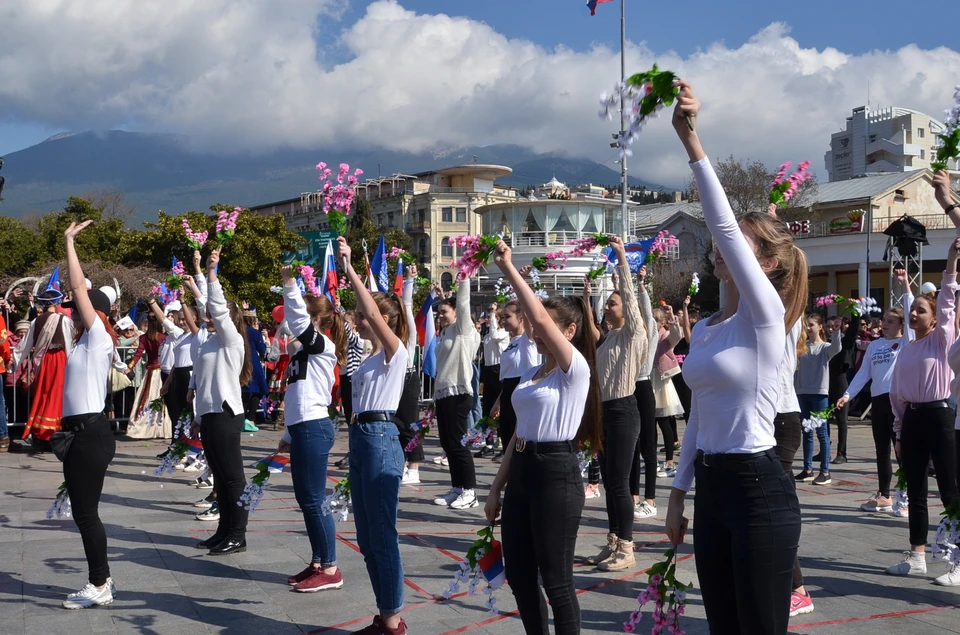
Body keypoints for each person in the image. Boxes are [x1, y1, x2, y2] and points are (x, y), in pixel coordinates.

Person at [665, 82, 807, 634]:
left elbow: (722, 222)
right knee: (723, 625)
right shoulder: (706, 329)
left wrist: (689, 138)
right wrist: (678, 493)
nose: (723, 250)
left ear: (767, 265)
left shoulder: (766, 318)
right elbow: (700, 413)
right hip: (712, 488)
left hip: (759, 487)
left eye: (740, 246)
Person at [484, 238, 601, 635]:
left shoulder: (575, 368)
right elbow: (520, 432)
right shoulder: (535, 372)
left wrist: (508, 269)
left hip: (556, 473)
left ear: (568, 330)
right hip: (522, 471)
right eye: (536, 324)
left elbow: (539, 317)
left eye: (545, 324)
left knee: (556, 580)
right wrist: (497, 486)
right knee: (519, 573)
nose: (536, 329)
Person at [338, 236, 410, 635]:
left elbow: (370, 311)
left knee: (382, 535)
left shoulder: (394, 352)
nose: (359, 321)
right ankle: (386, 615)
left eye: (365, 319)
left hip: (381, 437)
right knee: (366, 536)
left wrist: (349, 268)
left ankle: (394, 621)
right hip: (363, 438)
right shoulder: (369, 360)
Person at [887, 235, 960, 585]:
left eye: (920, 310)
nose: (913, 313)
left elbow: (946, 302)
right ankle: (917, 556)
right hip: (914, 418)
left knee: (950, 488)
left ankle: (957, 560)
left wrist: (950, 263)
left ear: (934, 319)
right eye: (911, 309)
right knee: (915, 488)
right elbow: (897, 393)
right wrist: (899, 431)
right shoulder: (907, 348)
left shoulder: (941, 339)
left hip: (941, 415)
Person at [58, 221, 119, 609]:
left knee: (86, 514)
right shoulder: (85, 342)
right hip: (81, 435)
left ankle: (99, 584)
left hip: (90, 434)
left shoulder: (99, 337)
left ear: (93, 311)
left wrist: (69, 242)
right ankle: (102, 581)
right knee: (84, 512)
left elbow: (80, 288)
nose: (73, 311)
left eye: (79, 308)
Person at [276, 265, 346, 593]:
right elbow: (298, 394)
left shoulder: (322, 346)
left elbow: (298, 321)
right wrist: (287, 435)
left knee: (315, 500)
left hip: (314, 428)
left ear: (315, 320)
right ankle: (319, 561)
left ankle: (331, 568)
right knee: (306, 500)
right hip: (303, 427)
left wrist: (290, 283)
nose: (290, 324)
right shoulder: (305, 351)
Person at [583, 235, 648, 572]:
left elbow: (633, 303)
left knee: (620, 483)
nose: (608, 308)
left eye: (613, 304)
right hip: (605, 412)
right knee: (609, 481)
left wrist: (621, 259)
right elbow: (590, 331)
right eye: (607, 304)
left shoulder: (634, 333)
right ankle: (613, 542)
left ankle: (627, 546)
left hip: (624, 411)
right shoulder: (608, 337)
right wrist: (587, 295)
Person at [191, 246, 254, 556]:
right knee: (218, 475)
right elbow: (202, 382)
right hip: (210, 415)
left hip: (227, 414)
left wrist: (212, 272)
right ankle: (224, 530)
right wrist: (199, 416)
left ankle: (238, 534)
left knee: (232, 478)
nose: (208, 319)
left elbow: (215, 305)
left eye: (214, 316)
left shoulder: (232, 340)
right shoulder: (209, 342)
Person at [837, 284, 908, 514]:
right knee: (881, 450)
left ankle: (905, 496)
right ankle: (884, 494)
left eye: (890, 321)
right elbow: (862, 374)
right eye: (884, 320)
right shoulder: (875, 346)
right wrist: (847, 395)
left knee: (901, 450)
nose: (884, 324)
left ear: (902, 325)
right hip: (878, 402)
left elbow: (909, 308)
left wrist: (905, 285)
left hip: (897, 401)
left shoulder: (907, 343)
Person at [432, 275, 481, 510]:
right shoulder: (445, 333)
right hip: (443, 394)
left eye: (444, 312)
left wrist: (465, 277)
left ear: (455, 313)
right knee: (448, 444)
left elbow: (463, 303)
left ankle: (470, 492)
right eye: (438, 313)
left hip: (459, 394)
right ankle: (458, 487)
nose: (440, 316)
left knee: (459, 444)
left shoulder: (463, 330)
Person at [491, 298, 540, 464]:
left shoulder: (528, 340)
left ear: (521, 318)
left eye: (507, 317)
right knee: (507, 437)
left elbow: (531, 314)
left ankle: (522, 480)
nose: (503, 321)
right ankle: (511, 480)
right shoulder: (510, 343)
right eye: (502, 317)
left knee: (520, 439)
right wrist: (498, 402)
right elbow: (507, 377)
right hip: (508, 393)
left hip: (523, 391)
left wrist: (522, 283)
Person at [20, 290, 73, 443]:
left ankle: (41, 430)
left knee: (44, 393)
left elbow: (24, 345)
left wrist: (14, 361)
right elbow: (69, 342)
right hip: (59, 359)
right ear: (57, 303)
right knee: (57, 393)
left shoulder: (36, 321)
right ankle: (55, 428)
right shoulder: (63, 320)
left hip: (43, 360)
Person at [794, 314, 841, 485]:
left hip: (819, 394)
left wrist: (836, 331)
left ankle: (825, 472)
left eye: (811, 325)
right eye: (806, 325)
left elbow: (837, 348)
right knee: (807, 431)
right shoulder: (802, 348)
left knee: (821, 432)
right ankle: (807, 469)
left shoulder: (825, 348)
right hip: (802, 392)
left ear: (820, 327)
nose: (808, 328)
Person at [631, 266, 660, 519]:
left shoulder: (649, 331)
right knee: (632, 446)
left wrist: (641, 285)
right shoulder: (628, 334)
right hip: (628, 390)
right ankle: (634, 496)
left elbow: (648, 314)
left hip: (643, 387)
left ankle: (650, 499)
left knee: (648, 448)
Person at [397, 265, 425, 484]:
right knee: (397, 423)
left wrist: (408, 281)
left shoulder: (409, 333)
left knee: (410, 424)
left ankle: (414, 469)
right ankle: (404, 464)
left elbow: (406, 304)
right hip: (395, 379)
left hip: (408, 378)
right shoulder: (390, 334)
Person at [125, 310, 170, 439]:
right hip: (161, 371)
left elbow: (138, 354)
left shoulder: (144, 338)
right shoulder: (163, 338)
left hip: (150, 372)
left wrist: (130, 366)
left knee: (146, 399)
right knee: (162, 399)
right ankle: (162, 428)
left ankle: (144, 426)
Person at [652, 305, 684, 478]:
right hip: (650, 381)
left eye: (656, 320)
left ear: (662, 323)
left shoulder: (665, 336)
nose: (653, 323)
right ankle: (654, 461)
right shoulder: (648, 336)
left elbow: (676, 336)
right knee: (650, 426)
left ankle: (670, 462)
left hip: (662, 382)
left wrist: (673, 321)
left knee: (665, 423)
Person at [825, 313, 861, 465]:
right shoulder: (824, 344)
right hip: (825, 382)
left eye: (835, 325)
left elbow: (854, 329)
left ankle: (842, 453)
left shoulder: (846, 341)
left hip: (840, 380)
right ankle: (824, 451)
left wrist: (855, 313)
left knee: (841, 420)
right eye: (829, 326)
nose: (832, 328)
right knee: (823, 419)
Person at [478, 302, 509, 458]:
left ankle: (503, 444)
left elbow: (496, 335)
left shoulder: (503, 333)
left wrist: (494, 312)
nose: (490, 319)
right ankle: (489, 443)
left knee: (500, 409)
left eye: (492, 317)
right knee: (488, 407)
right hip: (489, 370)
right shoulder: (488, 336)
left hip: (499, 369)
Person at [241, 308, 268, 432]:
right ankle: (250, 418)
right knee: (257, 389)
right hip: (253, 361)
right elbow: (262, 349)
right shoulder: (255, 333)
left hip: (241, 360)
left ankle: (241, 418)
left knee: (244, 390)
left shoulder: (238, 331)